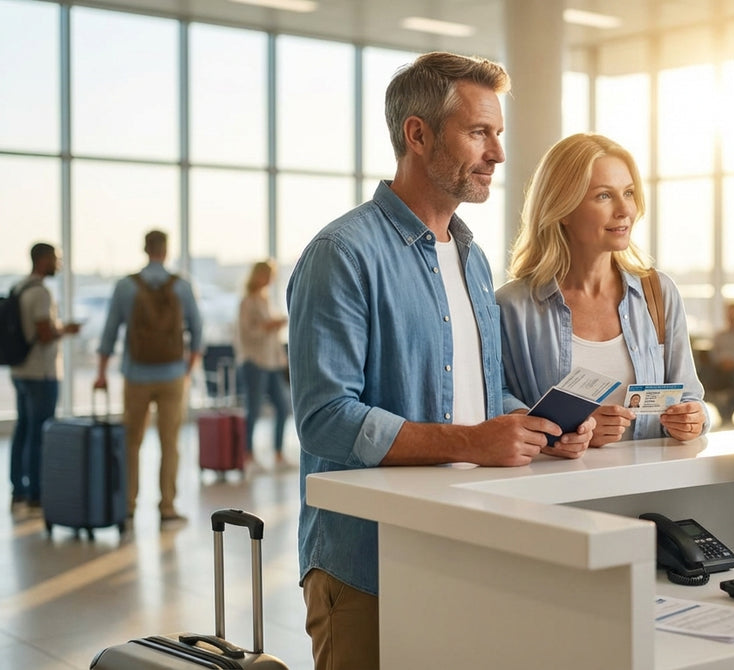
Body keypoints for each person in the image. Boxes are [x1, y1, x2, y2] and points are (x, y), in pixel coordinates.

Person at [286, 52, 594, 670]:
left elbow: (480, 394)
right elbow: (325, 419)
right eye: (479, 132)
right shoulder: (342, 253)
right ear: (418, 134)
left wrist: (536, 425)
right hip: (368, 565)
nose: (497, 153)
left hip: (463, 548)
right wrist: (474, 442)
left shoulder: (473, 259)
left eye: (498, 133)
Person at [497, 133, 708, 446]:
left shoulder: (659, 293)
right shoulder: (511, 306)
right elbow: (496, 399)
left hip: (651, 477)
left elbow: (691, 396)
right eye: (604, 196)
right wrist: (568, 429)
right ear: (563, 209)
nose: (624, 210)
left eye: (629, 193)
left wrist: (695, 419)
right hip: (554, 476)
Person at [94, 230, 203, 528]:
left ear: (145, 249)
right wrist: (187, 370)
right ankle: (167, 508)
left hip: (136, 374)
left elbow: (109, 332)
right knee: (170, 442)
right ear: (166, 250)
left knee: (132, 442)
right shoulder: (181, 285)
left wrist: (101, 373)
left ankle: (128, 506)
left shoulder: (126, 286)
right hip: (172, 375)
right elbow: (197, 331)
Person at [8, 243, 80, 512]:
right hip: (41, 372)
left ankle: (18, 488)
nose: (58, 264)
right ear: (42, 260)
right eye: (55, 258)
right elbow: (45, 333)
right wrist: (66, 330)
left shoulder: (19, 287)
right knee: (39, 433)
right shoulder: (41, 293)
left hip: (20, 369)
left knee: (23, 429)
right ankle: (36, 491)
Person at [236, 260, 291, 467]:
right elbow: (246, 334)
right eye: (266, 275)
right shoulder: (247, 302)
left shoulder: (266, 300)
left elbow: (272, 339)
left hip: (272, 363)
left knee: (283, 407)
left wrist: (282, 360)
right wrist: (267, 326)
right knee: (254, 409)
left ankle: (278, 454)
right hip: (254, 362)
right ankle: (248, 455)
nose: (269, 279)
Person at [701, 301, 734, 426]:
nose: (731, 316)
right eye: (729, 313)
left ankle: (728, 413)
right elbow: (714, 356)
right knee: (704, 377)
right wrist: (723, 362)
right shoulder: (719, 335)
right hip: (722, 371)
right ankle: (722, 410)